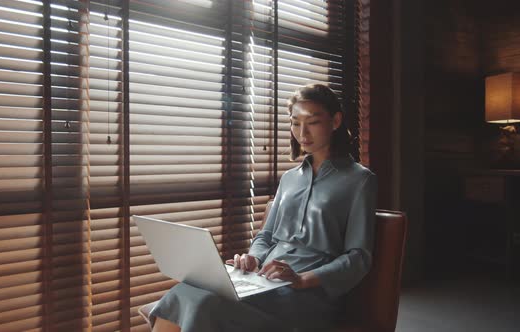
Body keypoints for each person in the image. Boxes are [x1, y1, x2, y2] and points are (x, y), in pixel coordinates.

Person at [149, 84, 378, 332]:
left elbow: (358, 258)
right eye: (295, 122)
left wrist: (302, 280)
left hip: (308, 296)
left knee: (206, 304)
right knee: (185, 291)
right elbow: (266, 236)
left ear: (335, 121)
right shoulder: (290, 178)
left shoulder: (360, 180)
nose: (302, 133)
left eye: (312, 122)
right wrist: (253, 258)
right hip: (264, 282)